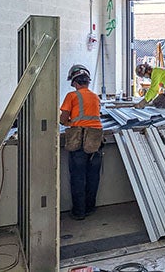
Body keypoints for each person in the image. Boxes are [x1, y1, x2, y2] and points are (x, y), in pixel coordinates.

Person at [59, 64, 103, 220]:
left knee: (78, 177)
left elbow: (63, 119)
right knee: (93, 177)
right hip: (96, 140)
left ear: (74, 83)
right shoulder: (95, 97)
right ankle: (90, 208)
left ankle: (79, 212)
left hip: (78, 140)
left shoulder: (72, 96)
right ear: (87, 82)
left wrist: (69, 123)